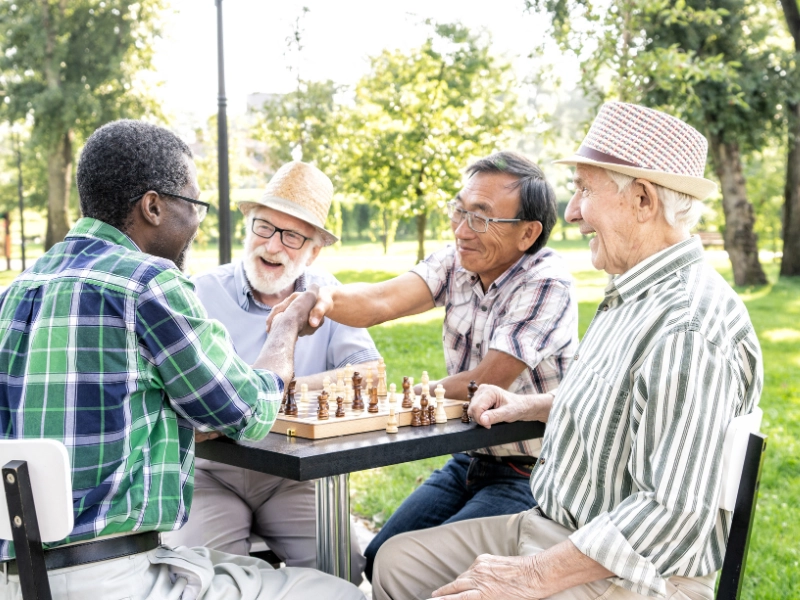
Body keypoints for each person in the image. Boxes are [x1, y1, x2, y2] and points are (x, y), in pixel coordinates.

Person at [370, 102, 764, 600]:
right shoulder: (634, 293)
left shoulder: (687, 326)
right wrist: (527, 406)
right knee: (394, 563)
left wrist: (530, 576)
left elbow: (672, 512)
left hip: (633, 574)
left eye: (583, 190)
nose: (572, 211)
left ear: (642, 199)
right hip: (557, 528)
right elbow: (624, 405)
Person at [0, 120, 364, 600]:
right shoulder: (148, 282)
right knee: (339, 593)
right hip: (118, 578)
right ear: (153, 206)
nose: (197, 224)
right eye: (193, 206)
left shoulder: (16, 290)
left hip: (21, 578)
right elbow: (248, 409)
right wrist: (285, 329)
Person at [271, 151, 579, 581]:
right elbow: (380, 300)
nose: (460, 229)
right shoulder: (457, 260)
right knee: (380, 557)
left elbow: (487, 382)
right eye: (459, 210)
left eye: (480, 217)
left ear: (527, 234)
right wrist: (321, 298)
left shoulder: (547, 283)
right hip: (468, 459)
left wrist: (396, 398)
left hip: (533, 473)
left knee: (430, 576)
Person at [164, 161, 381, 582]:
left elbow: (369, 378)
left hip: (296, 476)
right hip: (211, 473)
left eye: (292, 236)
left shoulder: (327, 295)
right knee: (205, 581)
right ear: (248, 226)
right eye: (264, 227)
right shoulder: (199, 293)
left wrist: (271, 395)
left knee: (343, 571)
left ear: (313, 251)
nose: (273, 245)